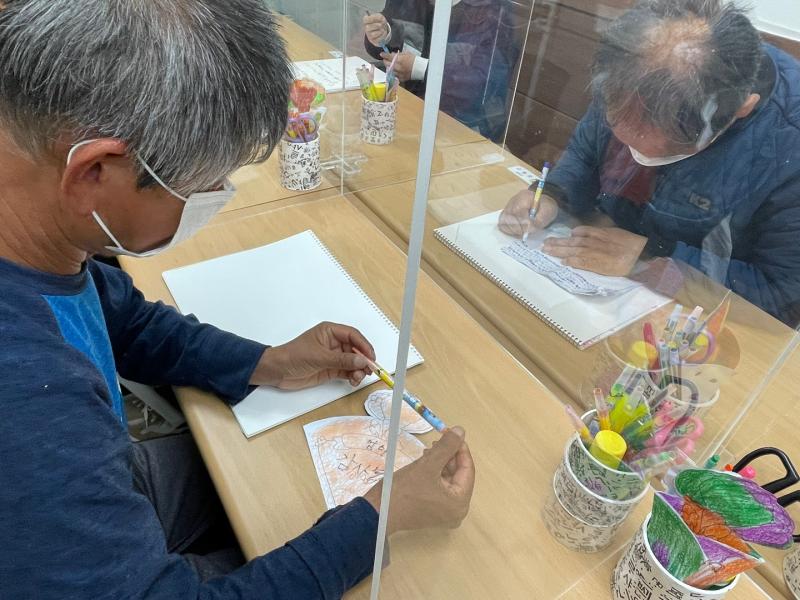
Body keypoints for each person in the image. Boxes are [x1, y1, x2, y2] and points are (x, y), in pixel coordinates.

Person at [0, 1, 475, 598]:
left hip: (96, 483)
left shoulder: (40, 233)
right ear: (94, 172)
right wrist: (381, 519)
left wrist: (266, 362)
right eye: (203, 185)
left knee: (268, 494)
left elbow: (127, 323)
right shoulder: (29, 398)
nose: (216, 197)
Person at [499, 0, 800, 326]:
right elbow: (586, 155)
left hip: (697, 325)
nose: (631, 149)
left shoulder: (787, 142)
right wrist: (553, 194)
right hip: (605, 278)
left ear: (741, 109)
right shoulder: (627, 72)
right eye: (619, 130)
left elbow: (783, 296)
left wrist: (653, 259)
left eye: (656, 145)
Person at [363, 0, 518, 140]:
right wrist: (384, 35)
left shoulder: (490, 10)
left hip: (464, 125)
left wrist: (421, 69)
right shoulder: (411, 3)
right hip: (411, 110)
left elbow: (484, 84)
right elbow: (388, 45)